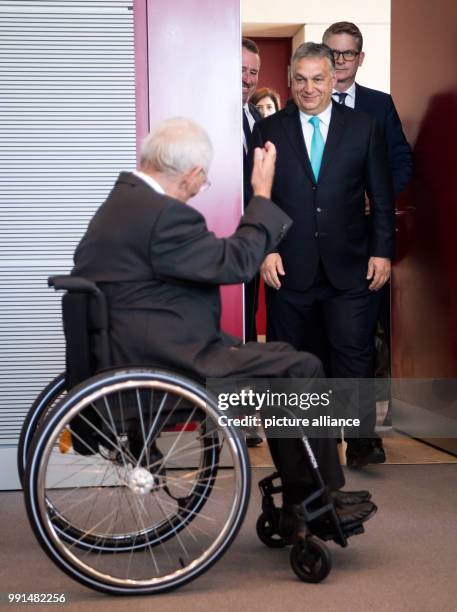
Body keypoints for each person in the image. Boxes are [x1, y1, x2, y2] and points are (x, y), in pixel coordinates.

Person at [72, 116, 376, 537]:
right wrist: (262, 196)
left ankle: (303, 498)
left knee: (286, 362)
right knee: (301, 369)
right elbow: (236, 263)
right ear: (193, 174)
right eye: (204, 182)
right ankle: (316, 500)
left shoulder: (121, 205)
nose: (201, 189)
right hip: (173, 364)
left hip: (135, 353)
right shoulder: (161, 215)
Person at [254, 43, 395, 467]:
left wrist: (382, 252)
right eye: (300, 79)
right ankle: (313, 448)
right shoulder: (270, 130)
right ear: (290, 81)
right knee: (298, 360)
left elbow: (381, 197)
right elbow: (258, 196)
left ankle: (362, 440)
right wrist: (266, 249)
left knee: (353, 351)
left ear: (333, 80)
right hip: (289, 265)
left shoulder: (364, 127)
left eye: (318, 79)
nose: (308, 88)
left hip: (350, 262)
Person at [322, 22, 413, 465]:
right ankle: (318, 442)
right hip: (314, 245)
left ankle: (361, 437)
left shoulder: (379, 106)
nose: (340, 62)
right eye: (332, 53)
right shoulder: (303, 102)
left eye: (347, 54)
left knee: (359, 341)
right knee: (318, 345)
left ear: (360, 58)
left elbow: (400, 160)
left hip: (363, 245)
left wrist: (376, 193)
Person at [242, 37, 262, 347]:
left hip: (254, 236)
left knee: (249, 310)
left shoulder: (259, 119)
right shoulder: (210, 115)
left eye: (253, 72)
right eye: (241, 70)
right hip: (223, 238)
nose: (247, 79)